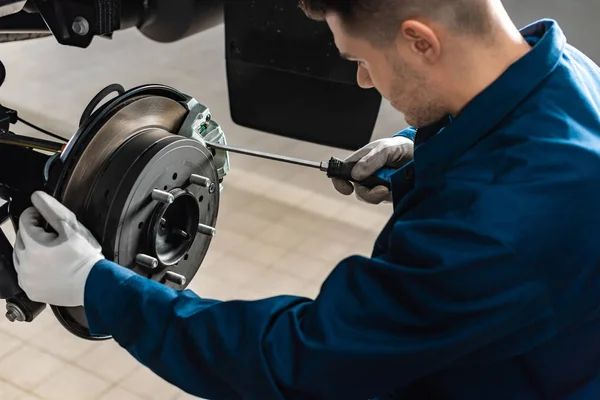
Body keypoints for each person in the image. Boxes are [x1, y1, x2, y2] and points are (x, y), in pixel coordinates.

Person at [12, 0, 600, 398]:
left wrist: (96, 286)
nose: (366, 81)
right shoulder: (571, 75)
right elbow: (514, 174)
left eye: (361, 60)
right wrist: (421, 156)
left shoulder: (498, 232)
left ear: (420, 42)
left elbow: (301, 361)